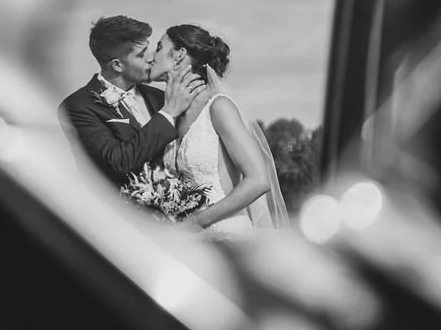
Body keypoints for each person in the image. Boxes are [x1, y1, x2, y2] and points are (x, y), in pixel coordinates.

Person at [149, 24, 289, 237]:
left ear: (179, 55)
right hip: (188, 244)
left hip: (226, 238)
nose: (152, 55)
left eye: (159, 47)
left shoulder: (218, 107)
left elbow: (259, 180)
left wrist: (194, 223)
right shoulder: (172, 116)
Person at [59, 15, 205, 187]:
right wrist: (169, 112)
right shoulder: (78, 106)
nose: (151, 58)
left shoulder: (159, 97)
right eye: (141, 54)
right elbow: (118, 163)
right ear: (117, 65)